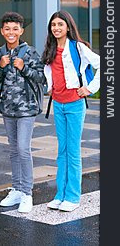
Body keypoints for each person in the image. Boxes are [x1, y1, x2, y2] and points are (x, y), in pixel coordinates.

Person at [42, 11, 100, 212]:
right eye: (53, 25)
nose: (56, 28)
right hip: (58, 104)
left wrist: (90, 89)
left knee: (73, 152)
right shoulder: (50, 49)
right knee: (62, 151)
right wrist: (50, 86)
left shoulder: (78, 47)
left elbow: (103, 64)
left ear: (68, 26)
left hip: (75, 104)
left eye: (60, 24)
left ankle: (73, 197)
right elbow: (49, 71)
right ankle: (60, 194)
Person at [0, 12, 45, 213]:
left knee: (24, 149)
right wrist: (0, 66)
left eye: (15, 29)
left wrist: (24, 68)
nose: (11, 32)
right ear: (2, 31)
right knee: (13, 150)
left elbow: (41, 78)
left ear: (21, 31)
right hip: (8, 108)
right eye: (7, 29)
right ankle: (16, 188)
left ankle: (27, 193)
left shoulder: (30, 52)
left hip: (27, 108)